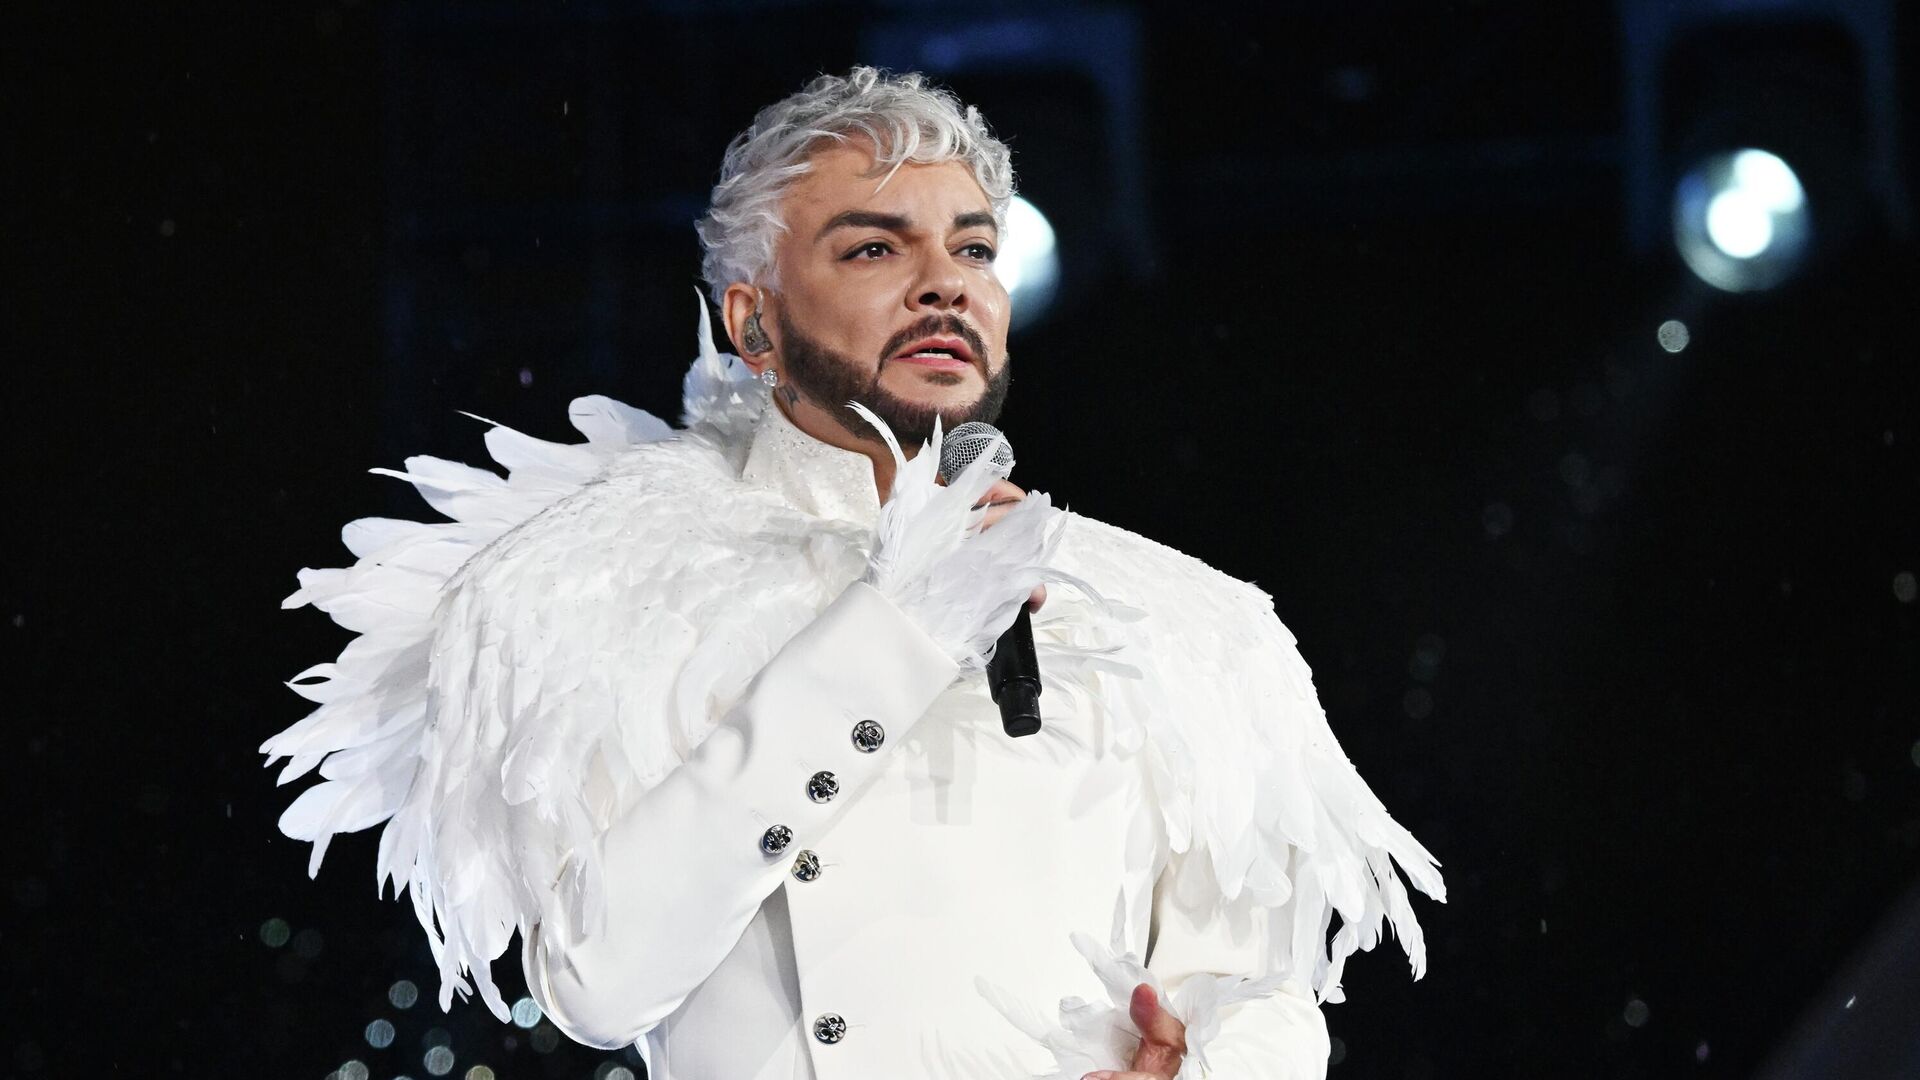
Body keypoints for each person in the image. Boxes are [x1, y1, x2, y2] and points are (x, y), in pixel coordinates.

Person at [262, 67, 1445, 1080]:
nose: (946, 283)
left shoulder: (1186, 622)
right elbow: (597, 981)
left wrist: (1225, 1057)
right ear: (752, 323)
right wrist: (893, 639)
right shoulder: (595, 591)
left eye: (972, 248)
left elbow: (1247, 984)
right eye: (876, 247)